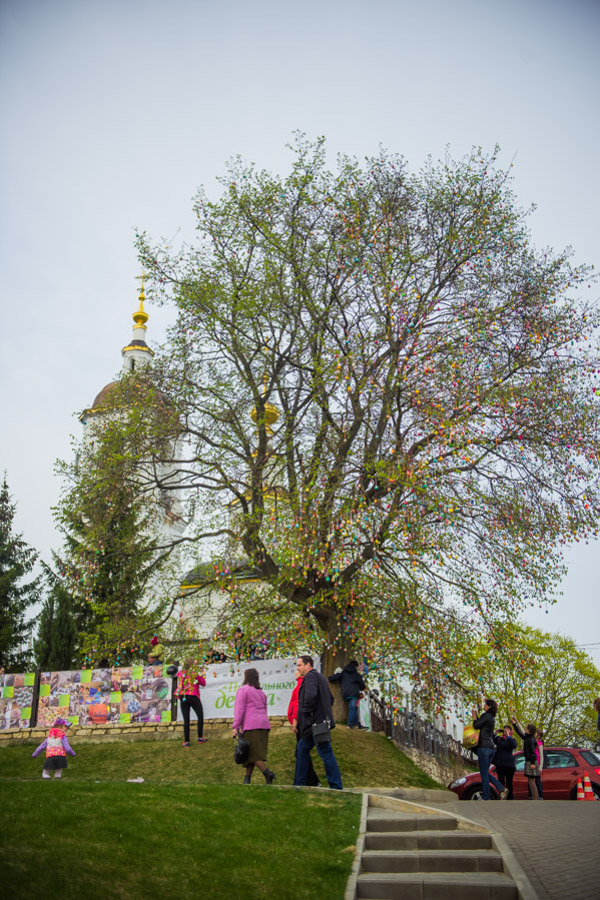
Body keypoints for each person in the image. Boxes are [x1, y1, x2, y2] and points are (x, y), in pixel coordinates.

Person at [294, 656, 343, 791]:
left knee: (325, 753)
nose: (298, 668)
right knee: (302, 749)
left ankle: (336, 786)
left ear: (308, 665)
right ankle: (299, 783)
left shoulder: (310, 677)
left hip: (315, 724)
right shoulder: (321, 678)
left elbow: (310, 697)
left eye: (299, 665)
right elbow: (330, 699)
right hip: (317, 723)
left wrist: (305, 713)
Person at [232, 667, 275, 785]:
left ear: (246, 677)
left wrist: (236, 726)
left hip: (251, 725)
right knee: (251, 754)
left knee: (252, 754)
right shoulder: (262, 693)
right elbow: (265, 710)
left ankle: (268, 773)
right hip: (263, 725)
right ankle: (247, 779)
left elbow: (239, 709)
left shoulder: (243, 690)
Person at [288, 673, 320, 787]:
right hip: (300, 722)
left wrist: (295, 720)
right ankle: (311, 780)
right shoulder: (300, 683)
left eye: (298, 668)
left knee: (301, 751)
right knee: (301, 751)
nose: (296, 671)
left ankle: (310, 780)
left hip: (301, 723)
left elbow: (298, 703)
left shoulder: (302, 684)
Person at [472, 698, 508, 800]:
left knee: (484, 773)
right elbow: (482, 726)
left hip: (484, 747)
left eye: (485, 704)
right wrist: (478, 717)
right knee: (485, 772)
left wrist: (474, 718)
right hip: (491, 748)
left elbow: (476, 725)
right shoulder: (491, 718)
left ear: (489, 706)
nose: (484, 706)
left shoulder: (486, 716)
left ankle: (487, 796)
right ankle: (500, 789)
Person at [176, 657, 207, 747]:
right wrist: (202, 675)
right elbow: (203, 683)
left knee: (186, 719)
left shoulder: (180, 673)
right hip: (192, 695)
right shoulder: (194, 673)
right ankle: (200, 737)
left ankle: (186, 741)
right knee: (200, 716)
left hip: (183, 695)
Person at [328, 660, 367, 730]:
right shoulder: (356, 675)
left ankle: (357, 724)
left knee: (354, 708)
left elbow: (335, 677)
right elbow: (362, 686)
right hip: (354, 693)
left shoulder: (344, 673)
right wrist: (362, 687)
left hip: (346, 693)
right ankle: (350, 724)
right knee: (353, 707)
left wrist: (330, 678)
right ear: (356, 666)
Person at [512, 715, 541, 799]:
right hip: (529, 761)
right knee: (530, 781)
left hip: (531, 761)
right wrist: (514, 724)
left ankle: (535, 798)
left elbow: (533, 752)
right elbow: (520, 733)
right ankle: (536, 797)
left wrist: (532, 763)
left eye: (526, 728)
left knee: (531, 781)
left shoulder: (531, 740)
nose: (525, 729)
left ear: (529, 730)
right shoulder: (527, 738)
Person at [493, 724, 517, 799]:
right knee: (501, 782)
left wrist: (508, 736)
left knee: (509, 783)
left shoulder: (512, 740)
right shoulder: (499, 739)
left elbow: (514, 745)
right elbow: (492, 740)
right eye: (505, 729)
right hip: (500, 764)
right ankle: (502, 797)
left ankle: (510, 798)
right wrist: (495, 733)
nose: (506, 731)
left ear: (510, 731)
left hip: (509, 765)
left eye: (508, 729)